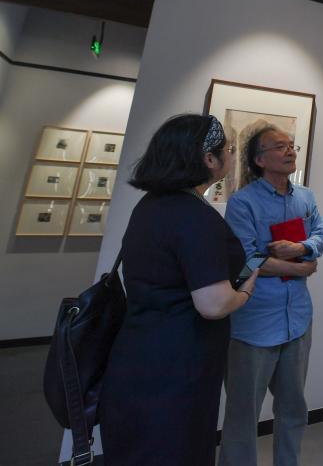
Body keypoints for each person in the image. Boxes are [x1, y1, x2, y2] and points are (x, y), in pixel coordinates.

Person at [99, 114, 258, 466]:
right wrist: (245, 292)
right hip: (178, 365)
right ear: (209, 159)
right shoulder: (193, 216)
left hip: (138, 354)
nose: (232, 155)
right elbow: (213, 304)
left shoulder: (151, 205)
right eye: (228, 149)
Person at [219, 125, 323, 466]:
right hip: (253, 324)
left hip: (297, 321)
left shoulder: (306, 197)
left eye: (292, 145)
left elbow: (322, 232)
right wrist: (301, 268)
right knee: (242, 415)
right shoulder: (242, 202)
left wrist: (301, 247)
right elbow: (247, 261)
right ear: (259, 159)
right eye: (280, 146)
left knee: (293, 408)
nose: (290, 151)